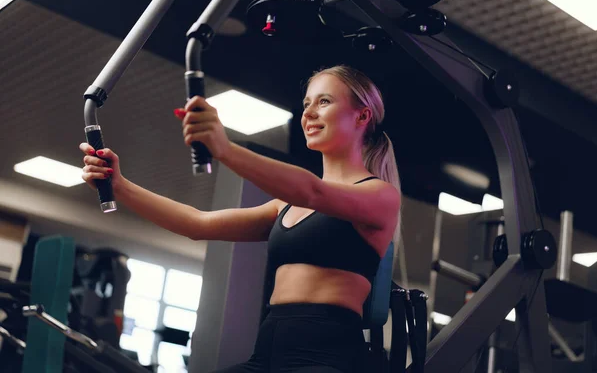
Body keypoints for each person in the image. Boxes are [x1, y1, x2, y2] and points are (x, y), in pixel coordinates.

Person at [80, 65, 402, 373]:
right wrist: (120, 186)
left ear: (362, 115)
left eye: (324, 101)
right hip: (266, 354)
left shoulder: (380, 197)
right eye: (306, 104)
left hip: (326, 359)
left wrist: (224, 149)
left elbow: (314, 192)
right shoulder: (285, 205)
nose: (309, 113)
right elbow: (197, 224)